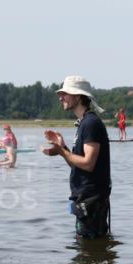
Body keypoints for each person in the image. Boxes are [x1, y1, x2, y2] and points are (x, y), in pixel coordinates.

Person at [42, 76, 112, 239]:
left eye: (65, 93)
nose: (61, 98)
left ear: (78, 96)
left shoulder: (90, 123)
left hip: (92, 199)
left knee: (88, 253)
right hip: (85, 198)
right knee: (89, 252)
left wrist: (61, 151)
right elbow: (79, 165)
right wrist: (63, 147)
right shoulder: (84, 124)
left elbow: (88, 164)